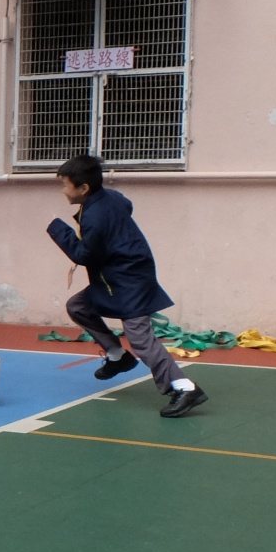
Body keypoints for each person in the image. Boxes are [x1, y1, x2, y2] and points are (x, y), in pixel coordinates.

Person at [48, 153, 206, 418]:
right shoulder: (109, 198)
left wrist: (58, 229)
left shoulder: (96, 216)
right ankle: (117, 356)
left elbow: (84, 255)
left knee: (141, 339)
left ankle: (184, 387)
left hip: (128, 281)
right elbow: (126, 205)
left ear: (83, 188)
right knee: (78, 306)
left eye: (66, 185)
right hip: (116, 278)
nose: (63, 190)